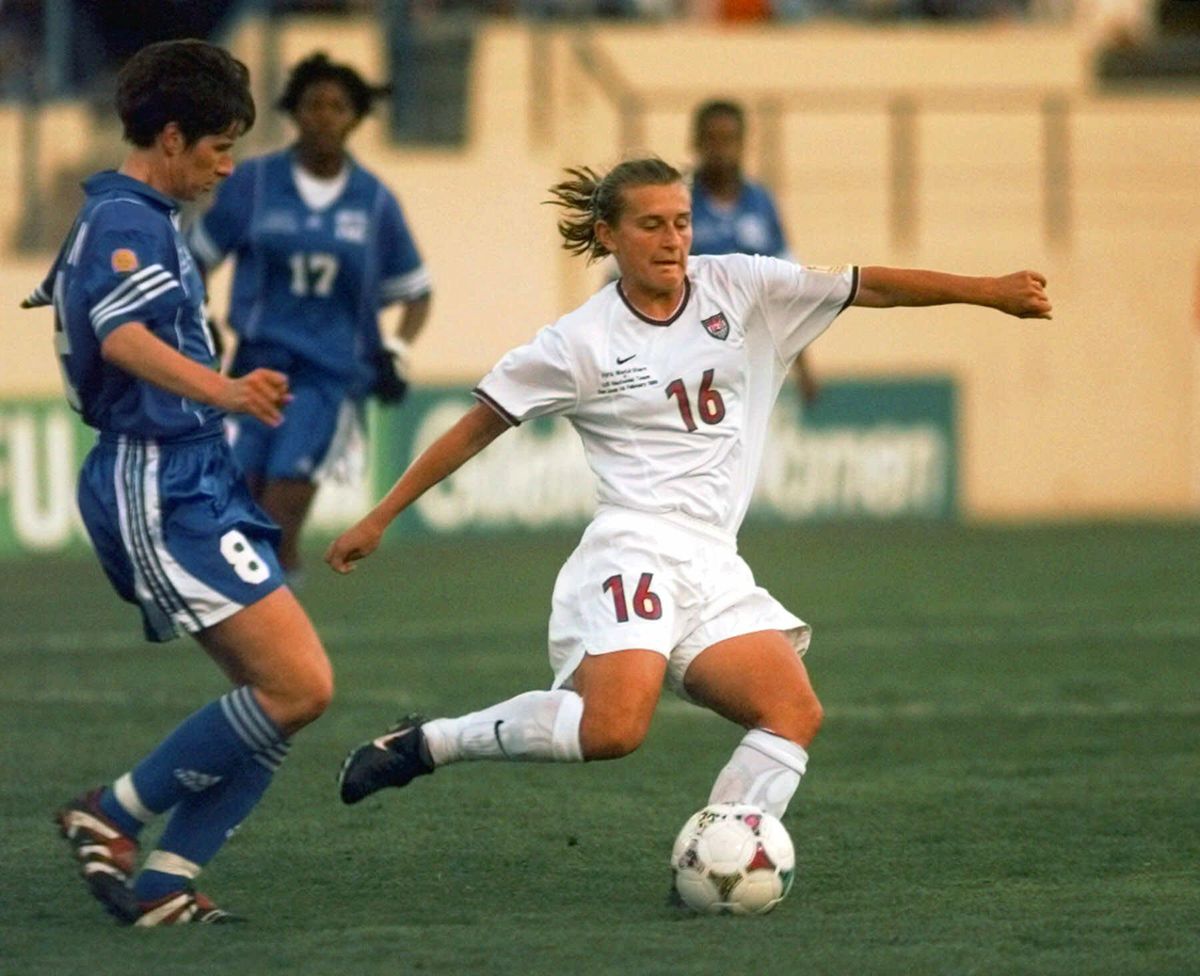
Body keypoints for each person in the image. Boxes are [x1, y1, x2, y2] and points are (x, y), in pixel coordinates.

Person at [326, 160, 1051, 873]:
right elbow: (478, 424)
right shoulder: (581, 341)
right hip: (632, 546)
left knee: (792, 712)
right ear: (608, 235)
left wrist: (988, 292)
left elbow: (868, 285)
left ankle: (721, 861)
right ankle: (430, 745)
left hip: (712, 561)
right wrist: (381, 515)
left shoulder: (740, 285)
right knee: (612, 730)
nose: (673, 239)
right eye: (651, 225)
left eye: (681, 222)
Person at [23, 40, 333, 926]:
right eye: (218, 147)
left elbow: (84, 304)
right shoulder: (126, 219)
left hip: (193, 473)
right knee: (299, 687)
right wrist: (226, 388)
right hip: (157, 479)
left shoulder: (131, 217)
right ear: (169, 137)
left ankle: (164, 884)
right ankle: (113, 813)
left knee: (287, 696)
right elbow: (119, 337)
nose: (227, 166)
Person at [187, 52, 433, 578]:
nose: (324, 116)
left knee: (279, 516)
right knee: (241, 514)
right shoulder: (252, 184)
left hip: (329, 379)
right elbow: (197, 259)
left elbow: (416, 292)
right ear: (293, 113)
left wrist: (396, 350)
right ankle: (256, 635)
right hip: (255, 367)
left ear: (356, 118)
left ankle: (277, 640)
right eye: (312, 104)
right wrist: (200, 316)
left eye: (337, 106)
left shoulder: (374, 201)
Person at [689, 98, 819, 405]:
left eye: (729, 139)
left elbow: (788, 286)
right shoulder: (680, 200)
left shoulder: (761, 203)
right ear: (695, 142)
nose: (720, 149)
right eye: (712, 139)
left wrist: (804, 365)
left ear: (743, 142)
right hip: (692, 350)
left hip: (752, 352)